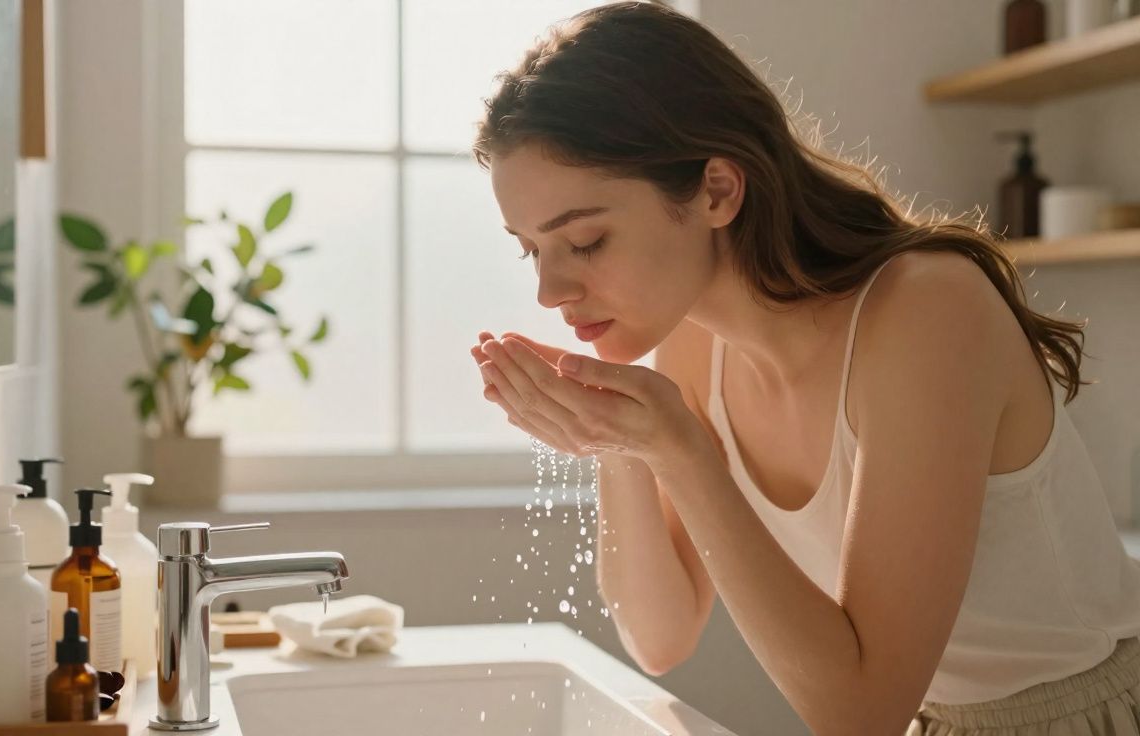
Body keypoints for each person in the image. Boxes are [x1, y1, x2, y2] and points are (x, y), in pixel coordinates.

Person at [466, 3, 1140, 734]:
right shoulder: (694, 341)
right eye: (531, 249)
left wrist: (682, 452)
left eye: (587, 241)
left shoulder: (924, 313)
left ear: (717, 191)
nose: (549, 291)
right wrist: (618, 438)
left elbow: (860, 711)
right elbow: (659, 638)